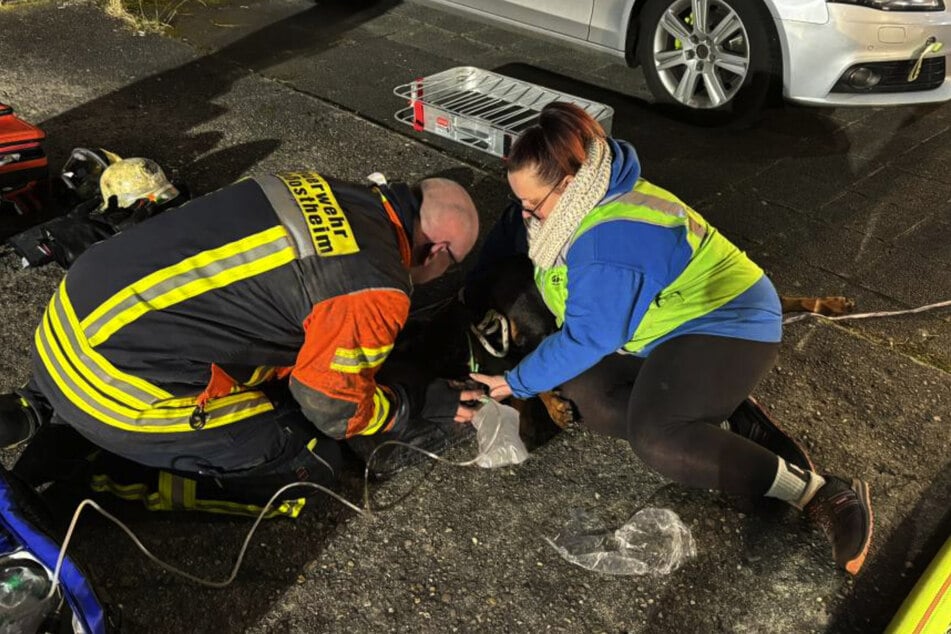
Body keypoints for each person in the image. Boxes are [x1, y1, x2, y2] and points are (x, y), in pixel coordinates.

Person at [470, 102, 873, 575]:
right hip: (663, 332)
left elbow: (587, 337)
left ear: (567, 184)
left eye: (531, 203)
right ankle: (722, 411)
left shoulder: (609, 240)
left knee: (657, 438)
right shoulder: (567, 208)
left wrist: (513, 382)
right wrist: (466, 289)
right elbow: (510, 238)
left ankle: (818, 491)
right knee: (588, 399)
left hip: (729, 324)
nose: (524, 213)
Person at [0, 166, 482, 517]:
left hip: (68, 321)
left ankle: (37, 404)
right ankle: (98, 476)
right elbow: (333, 409)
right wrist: (409, 404)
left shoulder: (313, 183)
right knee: (308, 470)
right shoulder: (375, 285)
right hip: (114, 385)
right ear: (438, 250)